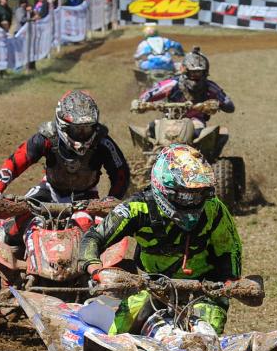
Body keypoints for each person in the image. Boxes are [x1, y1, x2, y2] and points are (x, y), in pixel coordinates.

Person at [78, 144, 242, 335]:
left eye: (199, 194)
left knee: (209, 333)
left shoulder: (214, 209)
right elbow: (93, 237)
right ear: (163, 187)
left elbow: (230, 251)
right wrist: (97, 271)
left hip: (205, 290)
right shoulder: (138, 208)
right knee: (119, 333)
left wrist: (231, 283)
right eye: (184, 195)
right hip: (153, 286)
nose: (193, 202)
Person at [0, 90, 130, 246]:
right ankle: (13, 259)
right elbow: (14, 163)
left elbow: (121, 174)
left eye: (87, 129)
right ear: (63, 125)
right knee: (15, 227)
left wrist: (111, 199)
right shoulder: (47, 138)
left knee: (86, 229)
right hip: (49, 189)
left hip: (86, 197)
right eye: (76, 129)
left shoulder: (103, 142)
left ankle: (86, 265)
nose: (82, 135)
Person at [139, 47, 235, 125]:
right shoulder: (172, 84)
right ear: (185, 71)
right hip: (169, 119)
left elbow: (229, 106)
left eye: (199, 72)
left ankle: (205, 149)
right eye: (192, 72)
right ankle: (149, 148)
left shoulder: (210, 87)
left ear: (205, 72)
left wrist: (217, 104)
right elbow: (150, 93)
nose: (195, 75)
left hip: (196, 121)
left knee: (202, 132)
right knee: (152, 127)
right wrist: (142, 103)